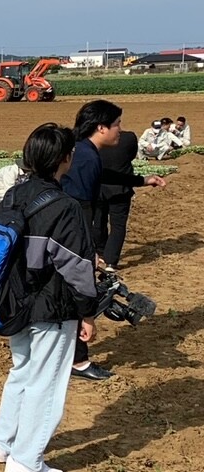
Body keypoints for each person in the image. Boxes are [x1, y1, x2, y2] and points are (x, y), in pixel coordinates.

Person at [0, 122, 98, 472]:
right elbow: (77, 268)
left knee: (21, 371)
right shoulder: (65, 206)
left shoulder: (13, 195)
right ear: (64, 158)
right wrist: (87, 312)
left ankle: (2, 443)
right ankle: (27, 460)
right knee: (46, 382)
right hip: (52, 306)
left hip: (13, 301)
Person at [60, 99, 166, 380]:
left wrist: (142, 180)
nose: (120, 130)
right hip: (67, 237)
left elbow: (104, 176)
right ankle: (78, 362)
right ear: (101, 127)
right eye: (117, 124)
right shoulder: (85, 157)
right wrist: (86, 249)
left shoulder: (85, 152)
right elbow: (79, 207)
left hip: (63, 236)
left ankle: (68, 356)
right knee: (78, 292)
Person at [94, 129, 139, 270]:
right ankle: (111, 260)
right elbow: (132, 155)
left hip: (98, 187)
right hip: (120, 188)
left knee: (98, 221)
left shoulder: (94, 140)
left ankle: (100, 252)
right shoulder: (128, 138)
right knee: (118, 225)